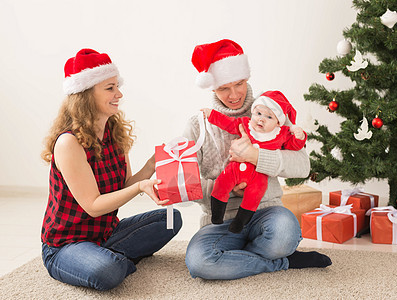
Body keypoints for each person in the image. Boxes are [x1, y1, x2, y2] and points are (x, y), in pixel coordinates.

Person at [184, 39, 331, 280]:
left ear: (247, 78)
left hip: (266, 214)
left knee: (284, 233)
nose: (234, 95)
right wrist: (232, 188)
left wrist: (256, 156)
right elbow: (187, 184)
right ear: (212, 88)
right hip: (220, 221)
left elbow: (303, 167)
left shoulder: (271, 110)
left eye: (239, 84)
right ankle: (279, 262)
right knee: (200, 263)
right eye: (224, 88)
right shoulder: (197, 125)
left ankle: (241, 259)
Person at [40, 48, 182, 291]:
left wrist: (151, 165)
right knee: (108, 271)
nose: (119, 94)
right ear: (85, 94)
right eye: (110, 88)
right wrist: (140, 187)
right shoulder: (68, 143)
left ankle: (106, 254)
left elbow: (123, 187)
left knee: (171, 220)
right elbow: (94, 206)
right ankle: (107, 259)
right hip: (66, 244)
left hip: (106, 233)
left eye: (117, 86)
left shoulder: (113, 132)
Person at [200, 90, 307, 233]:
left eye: (269, 117)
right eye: (258, 114)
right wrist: (211, 115)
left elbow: (294, 146)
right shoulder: (245, 124)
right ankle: (217, 215)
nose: (261, 119)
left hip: (258, 175)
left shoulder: (281, 134)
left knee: (254, 195)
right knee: (222, 182)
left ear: (277, 123)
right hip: (235, 169)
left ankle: (240, 222)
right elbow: (228, 123)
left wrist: (299, 137)